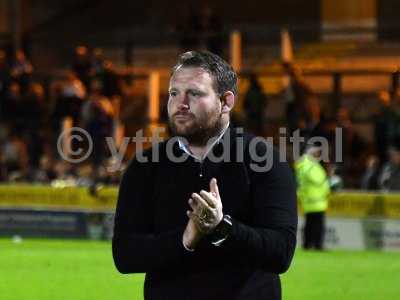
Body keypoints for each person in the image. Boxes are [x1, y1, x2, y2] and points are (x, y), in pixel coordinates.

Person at [112, 51, 297, 300]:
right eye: (174, 93)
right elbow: (124, 255)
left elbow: (281, 254)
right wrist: (185, 239)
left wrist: (223, 229)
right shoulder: (145, 166)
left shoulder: (266, 161)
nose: (181, 103)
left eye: (195, 93)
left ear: (226, 102)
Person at [294, 143, 330, 250]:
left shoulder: (303, 164)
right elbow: (318, 179)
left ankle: (307, 244)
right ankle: (317, 245)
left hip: (310, 199)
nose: (319, 154)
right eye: (317, 152)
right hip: (316, 199)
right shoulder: (310, 165)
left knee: (310, 224)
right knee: (317, 225)